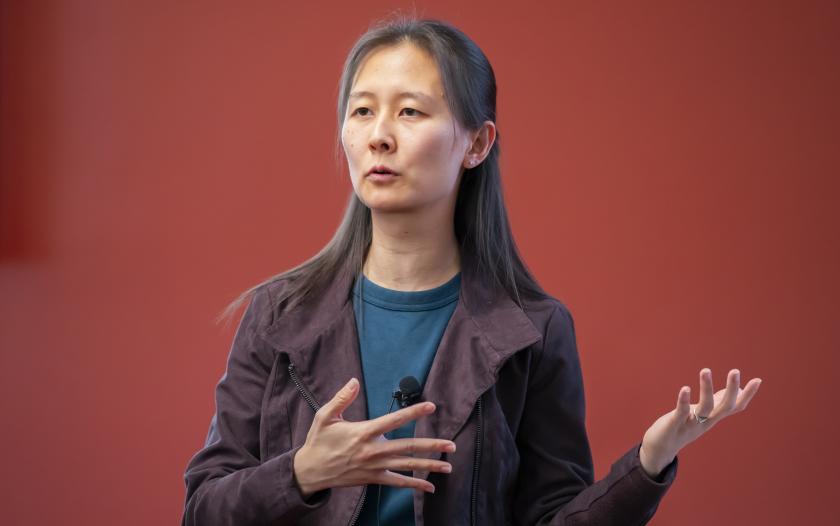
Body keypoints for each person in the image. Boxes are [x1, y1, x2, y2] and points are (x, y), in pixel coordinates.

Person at [180, 16, 762, 526]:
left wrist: (647, 465)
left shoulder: (534, 329)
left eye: (409, 111)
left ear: (477, 143)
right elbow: (203, 507)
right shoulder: (279, 314)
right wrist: (303, 472)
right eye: (361, 111)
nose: (379, 135)